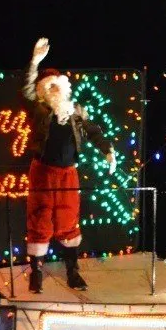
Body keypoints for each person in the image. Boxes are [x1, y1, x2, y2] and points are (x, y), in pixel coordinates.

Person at [23, 37, 116, 293]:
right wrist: (35, 62)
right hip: (43, 172)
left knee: (68, 219)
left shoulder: (75, 112)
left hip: (68, 174)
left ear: (64, 88)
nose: (54, 90)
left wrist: (108, 151)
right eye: (49, 86)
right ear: (43, 91)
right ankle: (36, 273)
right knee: (40, 219)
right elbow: (28, 90)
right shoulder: (40, 110)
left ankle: (73, 271)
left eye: (57, 86)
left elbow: (93, 131)